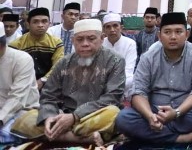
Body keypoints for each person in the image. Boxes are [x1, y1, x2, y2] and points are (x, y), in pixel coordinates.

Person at [11, 18, 125, 147]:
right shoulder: (64, 63)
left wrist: (74, 117)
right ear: (73, 40)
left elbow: (112, 97)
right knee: (24, 117)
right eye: (80, 39)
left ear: (102, 38)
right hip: (62, 115)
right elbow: (49, 96)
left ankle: (56, 136)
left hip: (95, 115)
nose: (85, 44)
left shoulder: (115, 61)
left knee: (113, 113)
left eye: (91, 38)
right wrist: (49, 117)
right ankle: (83, 138)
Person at [115, 12, 192, 145]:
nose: (173, 37)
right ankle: (182, 138)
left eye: (179, 32)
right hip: (154, 111)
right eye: (167, 32)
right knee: (123, 118)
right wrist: (150, 116)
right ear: (159, 36)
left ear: (187, 34)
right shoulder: (148, 57)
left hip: (184, 112)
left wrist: (176, 113)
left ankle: (154, 134)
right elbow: (138, 91)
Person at [9, 7, 64, 91]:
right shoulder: (16, 44)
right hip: (22, 86)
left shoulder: (56, 43)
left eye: (44, 21)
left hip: (50, 85)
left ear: (49, 23)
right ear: (28, 24)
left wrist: (43, 80)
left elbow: (58, 65)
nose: (40, 25)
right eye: (35, 21)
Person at [0, 35, 39, 145]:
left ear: (1, 46)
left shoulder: (22, 59)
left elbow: (17, 98)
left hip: (21, 110)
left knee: (11, 131)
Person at [101, 13, 137, 100]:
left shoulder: (130, 43)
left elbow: (128, 70)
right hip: (103, 83)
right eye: (108, 27)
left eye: (115, 26)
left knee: (132, 79)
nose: (112, 30)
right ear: (104, 30)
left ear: (121, 27)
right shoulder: (100, 43)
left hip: (124, 83)